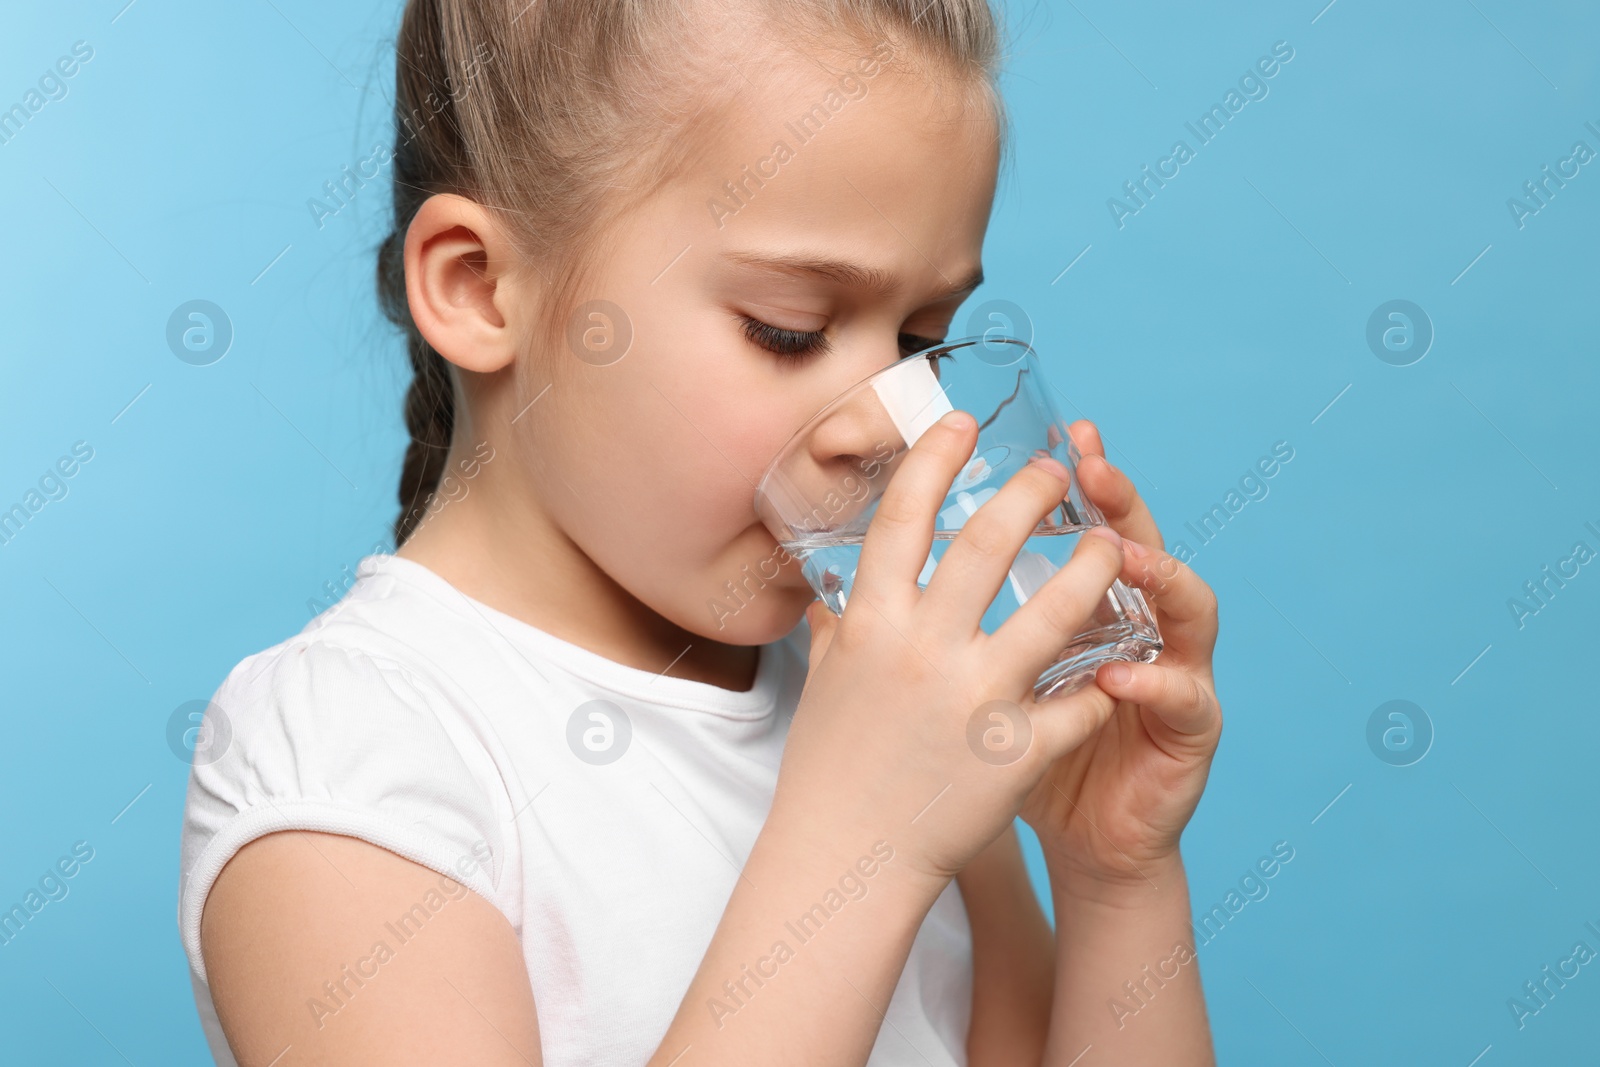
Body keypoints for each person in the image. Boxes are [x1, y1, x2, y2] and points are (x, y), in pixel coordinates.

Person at [178, 1, 1224, 1063]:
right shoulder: (351, 758)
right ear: (480, 286)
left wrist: (1112, 872)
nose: (884, 424)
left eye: (921, 342)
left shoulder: (876, 697)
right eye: (788, 330)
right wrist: (861, 841)